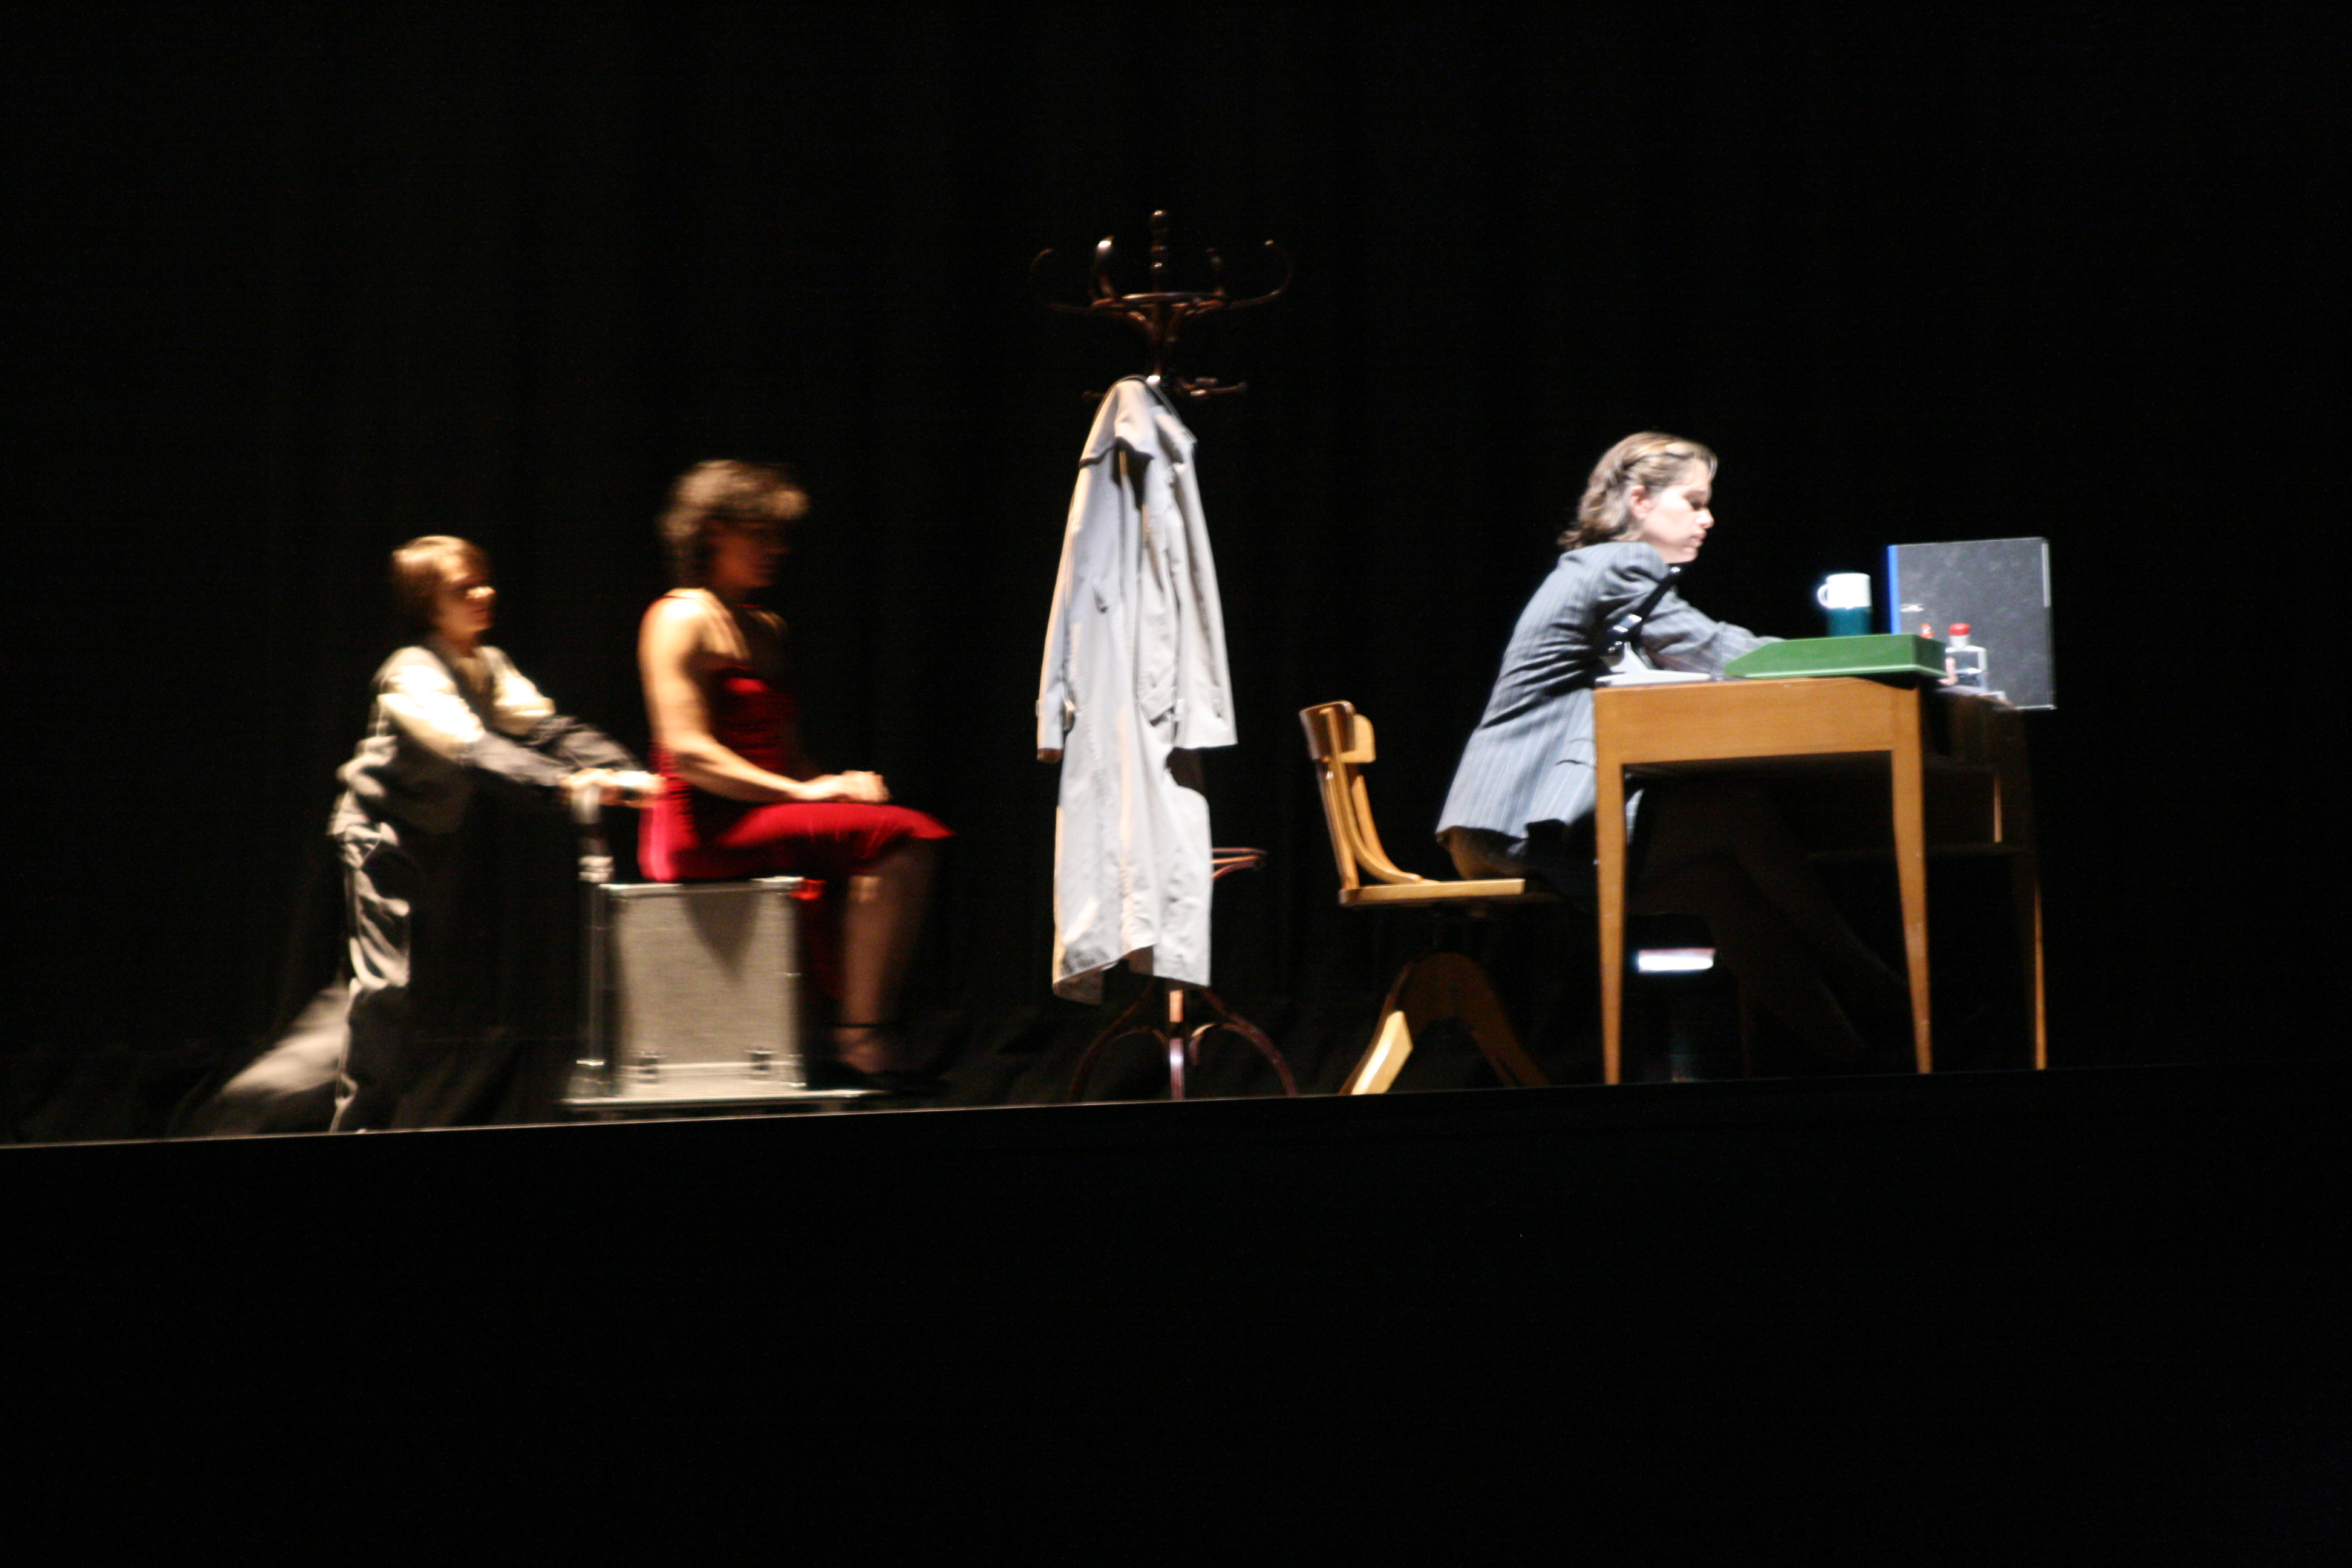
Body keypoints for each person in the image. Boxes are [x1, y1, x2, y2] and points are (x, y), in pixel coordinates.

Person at [1438, 432, 1905, 1063]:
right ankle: (1866, 975)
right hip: (1517, 824)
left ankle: (1854, 1059)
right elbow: (1710, 649)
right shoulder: (1620, 566)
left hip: (1493, 826)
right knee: (1735, 808)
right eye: (1693, 502)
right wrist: (1844, 660)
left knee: (1720, 886)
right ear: (1639, 500)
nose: (1707, 519)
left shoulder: (1599, 576)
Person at [328, 535, 656, 1130]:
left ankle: (330, 1076)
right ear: (429, 604)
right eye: (464, 588)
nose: (484, 593)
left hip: (430, 842)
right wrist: (565, 786)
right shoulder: (411, 674)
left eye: (484, 581)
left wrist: (627, 771)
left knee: (401, 993)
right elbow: (471, 748)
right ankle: (358, 1131)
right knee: (387, 987)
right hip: (378, 838)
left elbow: (547, 729)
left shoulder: (487, 665)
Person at [637, 461, 949, 1076]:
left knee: (898, 835)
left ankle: (859, 1024)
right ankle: (859, 1036)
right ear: (714, 531)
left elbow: (790, 753)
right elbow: (690, 754)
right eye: (760, 534)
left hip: (763, 811)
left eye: (779, 536)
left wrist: (838, 792)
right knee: (903, 837)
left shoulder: (765, 626)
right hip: (701, 826)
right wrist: (805, 795)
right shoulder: (678, 617)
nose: (776, 549)